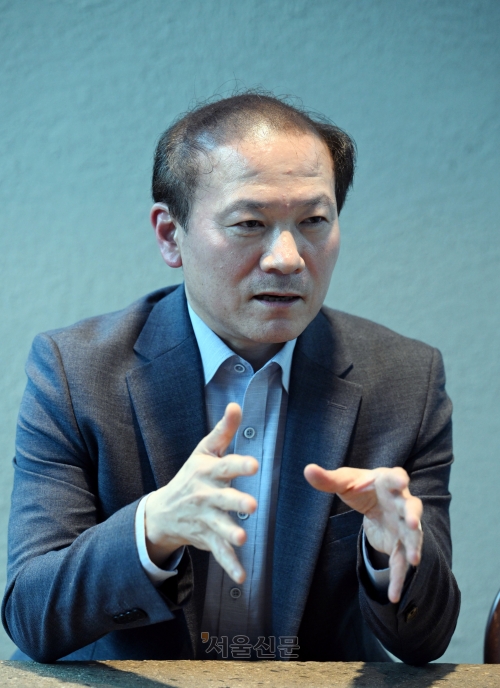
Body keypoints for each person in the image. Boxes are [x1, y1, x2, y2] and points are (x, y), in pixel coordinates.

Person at [2, 92, 460, 664]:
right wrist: (152, 530)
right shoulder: (76, 372)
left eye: (314, 221)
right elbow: (32, 615)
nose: (287, 258)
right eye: (250, 223)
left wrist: (388, 558)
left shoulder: (406, 381)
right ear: (170, 234)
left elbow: (427, 640)